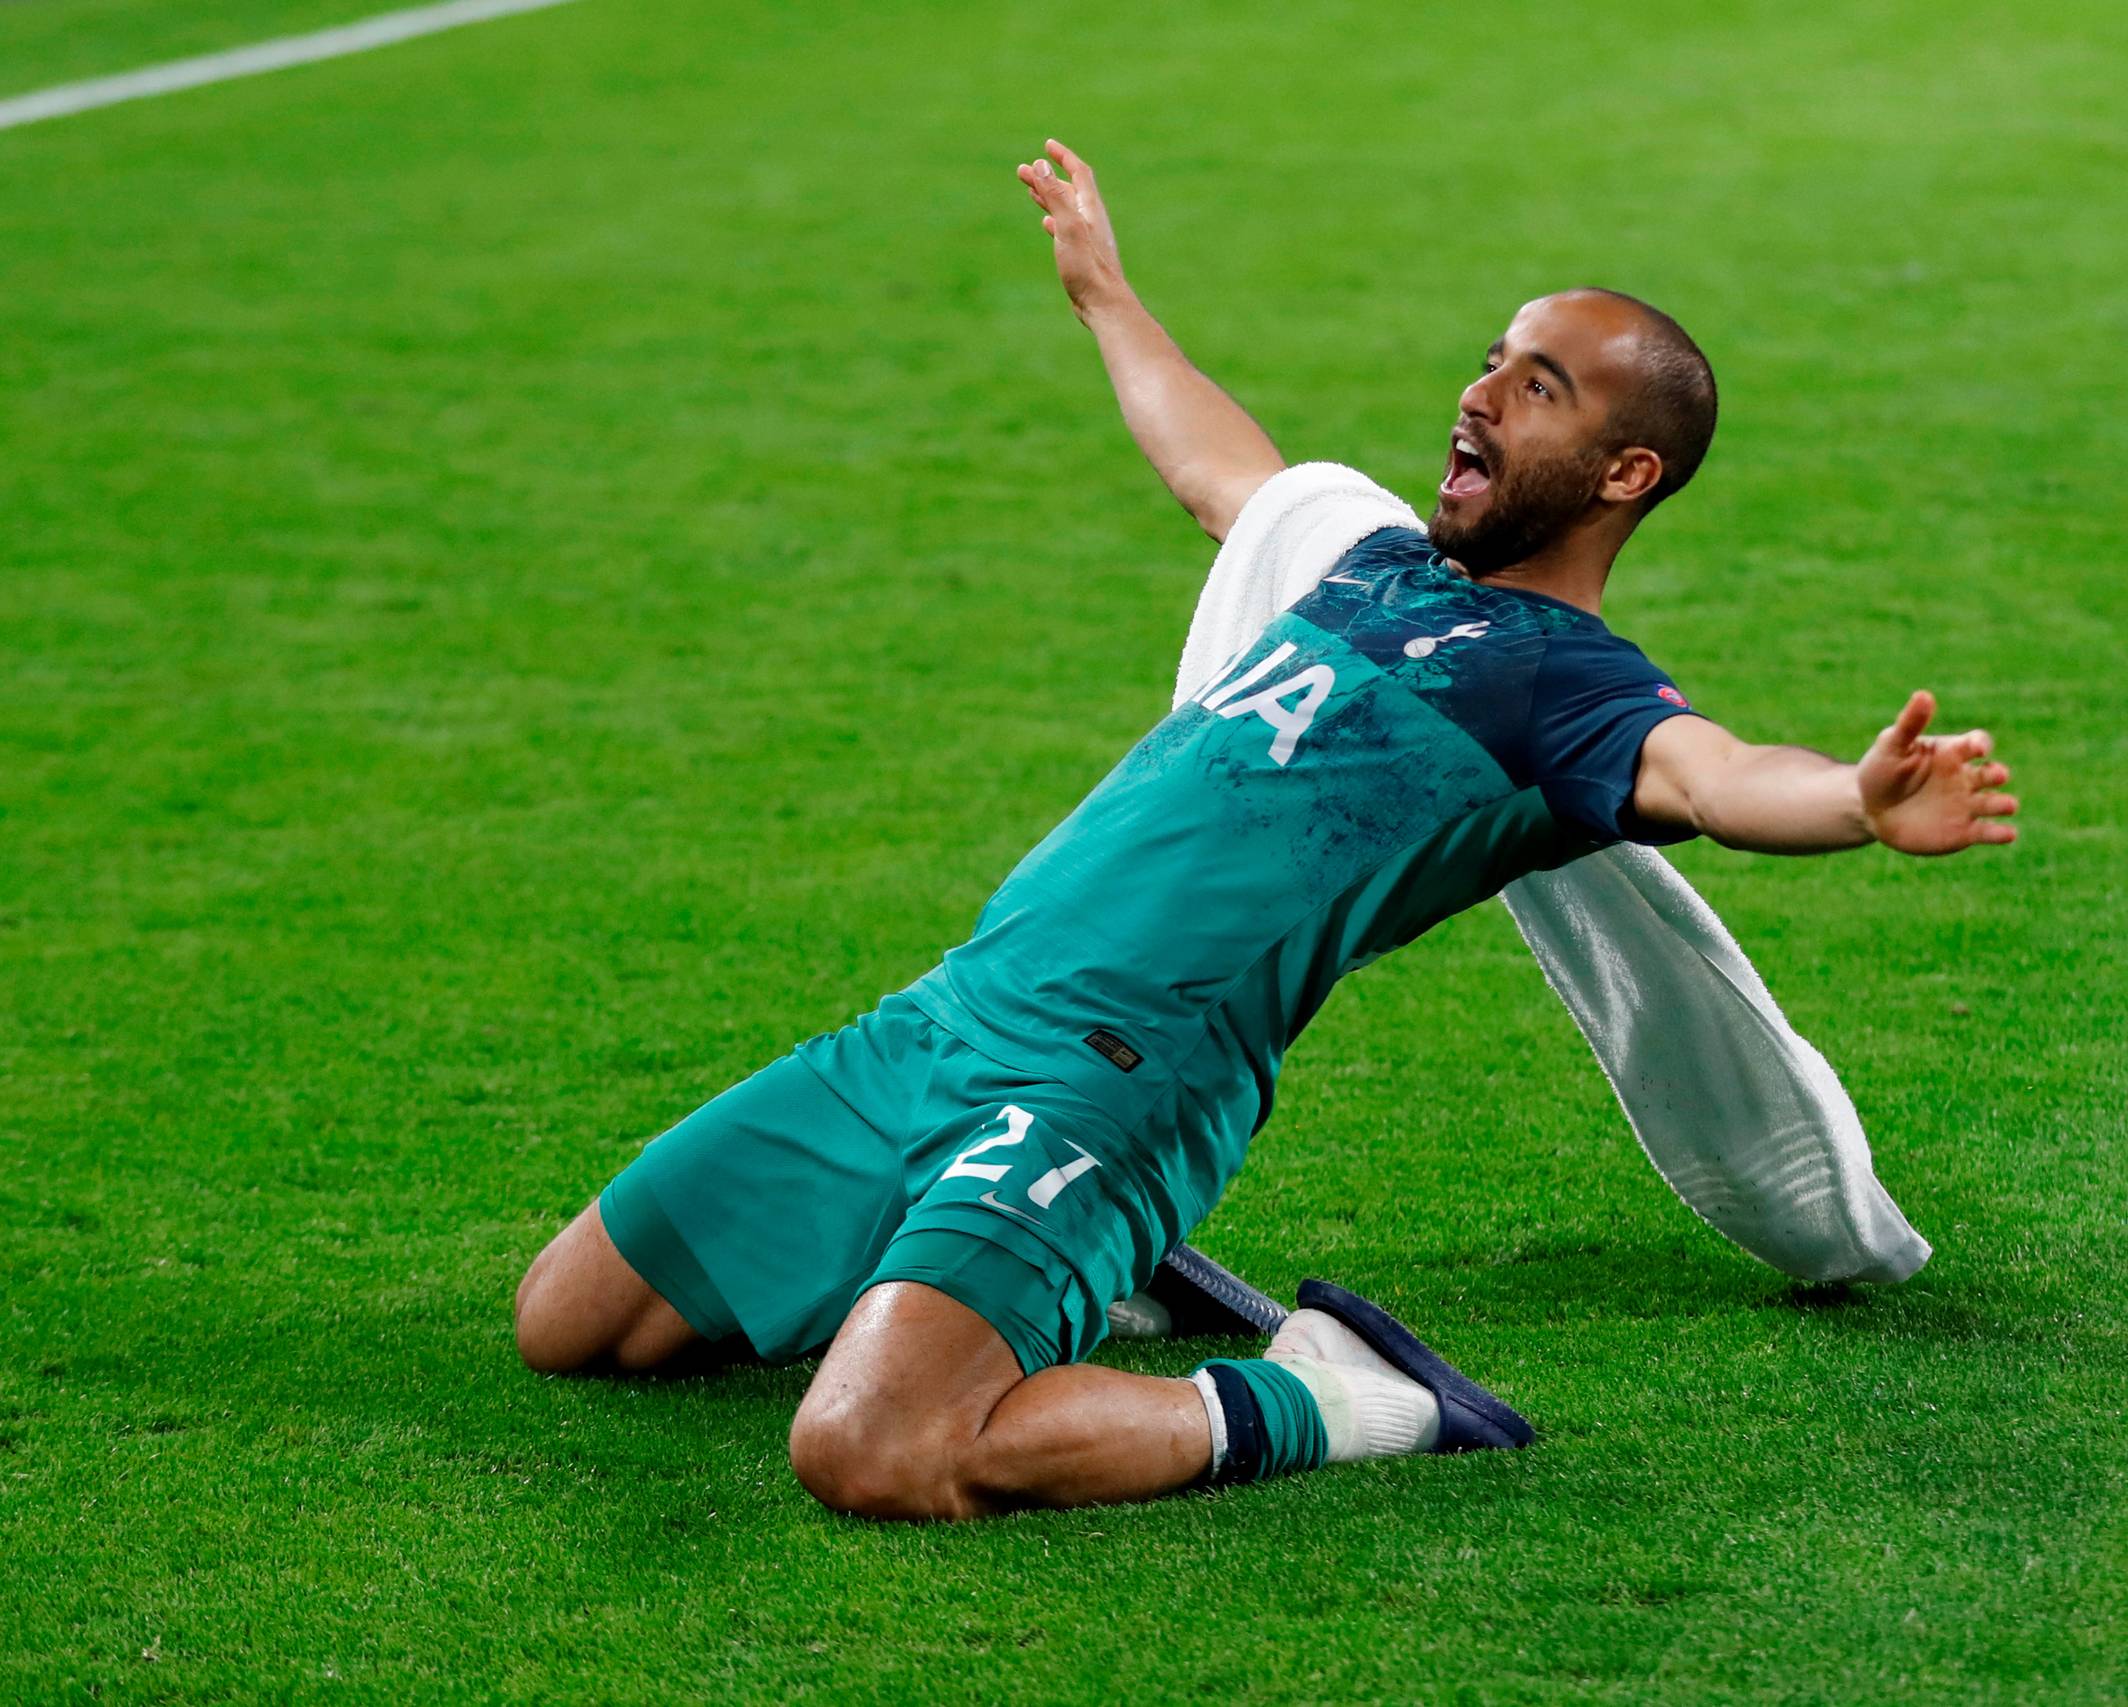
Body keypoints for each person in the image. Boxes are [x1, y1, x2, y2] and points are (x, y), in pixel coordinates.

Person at [511, 139, 2021, 1521]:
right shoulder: (1370, 567)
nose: (1479, 394)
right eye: (1493, 360)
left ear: (1627, 474)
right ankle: (1083, 1278)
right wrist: (1106, 294)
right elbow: (1219, 465)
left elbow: (1717, 774)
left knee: (876, 1450)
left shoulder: (1570, 694)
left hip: (1115, 1090)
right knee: (575, 1323)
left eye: (1538, 385)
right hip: (949, 1021)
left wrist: (1857, 804)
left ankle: (1338, 1395)